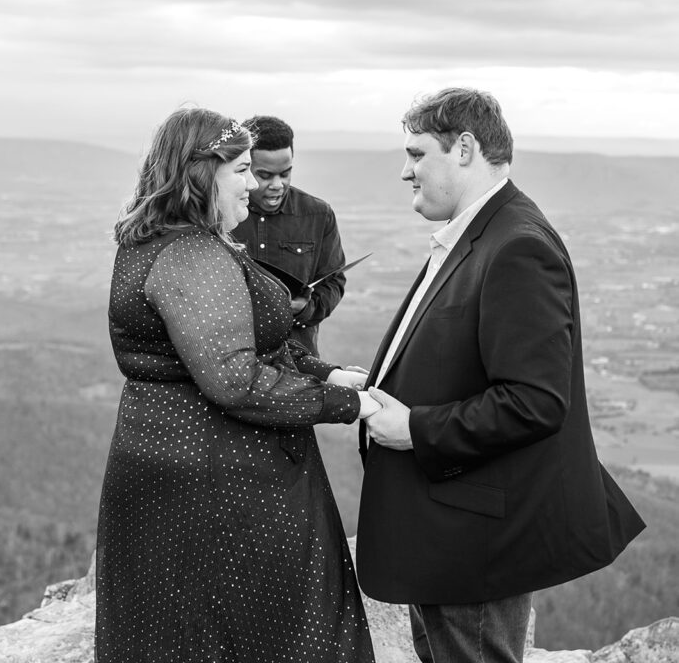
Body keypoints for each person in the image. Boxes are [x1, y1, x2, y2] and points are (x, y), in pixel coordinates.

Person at [356, 87, 645, 663]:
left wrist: (415, 427)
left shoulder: (516, 246)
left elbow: (534, 401)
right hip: (449, 531)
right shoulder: (482, 233)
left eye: (416, 155)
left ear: (464, 149)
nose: (405, 172)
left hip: (476, 539)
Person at [95, 107, 379, 663]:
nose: (255, 185)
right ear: (204, 174)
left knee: (180, 631)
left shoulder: (166, 241)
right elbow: (235, 380)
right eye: (244, 170)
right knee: (244, 635)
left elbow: (250, 342)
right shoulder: (192, 254)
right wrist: (349, 403)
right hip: (217, 483)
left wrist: (326, 371)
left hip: (181, 462)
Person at [231, 115, 346, 355]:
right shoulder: (221, 215)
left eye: (285, 173)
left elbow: (333, 282)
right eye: (265, 175)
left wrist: (305, 309)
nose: (277, 184)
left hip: (298, 362)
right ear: (245, 167)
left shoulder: (318, 214)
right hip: (234, 360)